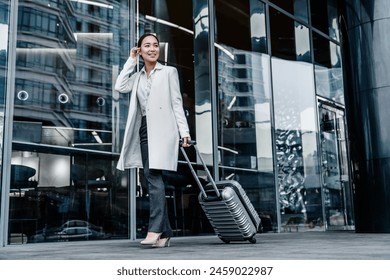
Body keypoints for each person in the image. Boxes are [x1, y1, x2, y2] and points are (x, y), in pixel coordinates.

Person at [115, 33, 191, 248]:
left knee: (153, 175)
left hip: (163, 129)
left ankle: (155, 229)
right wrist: (131, 60)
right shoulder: (137, 77)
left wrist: (184, 132)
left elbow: (177, 103)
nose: (152, 49)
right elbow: (120, 86)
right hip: (145, 130)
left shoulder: (169, 72)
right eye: (146, 46)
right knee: (150, 176)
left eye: (155, 45)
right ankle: (165, 234)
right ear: (140, 50)